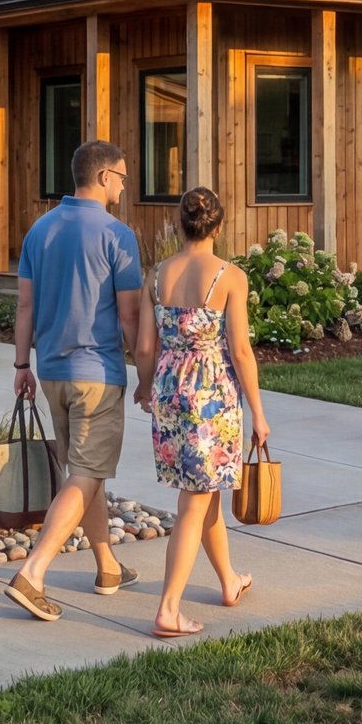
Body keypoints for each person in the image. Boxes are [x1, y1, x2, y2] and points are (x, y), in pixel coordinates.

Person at [6, 139, 155, 622]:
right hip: (97, 375)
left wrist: (21, 366)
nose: (125, 186)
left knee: (81, 470)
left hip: (50, 372)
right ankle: (33, 572)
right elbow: (131, 316)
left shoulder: (39, 231)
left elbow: (24, 307)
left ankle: (107, 565)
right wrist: (146, 375)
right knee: (88, 472)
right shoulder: (118, 235)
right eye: (124, 177)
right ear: (105, 176)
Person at [139, 187, 266, 638]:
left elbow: (143, 346)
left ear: (179, 223)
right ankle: (169, 609)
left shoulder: (156, 276)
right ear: (219, 226)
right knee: (194, 499)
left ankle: (229, 579)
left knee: (204, 490)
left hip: (170, 392)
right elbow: (242, 351)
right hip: (210, 395)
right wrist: (259, 412)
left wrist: (144, 385)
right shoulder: (229, 276)